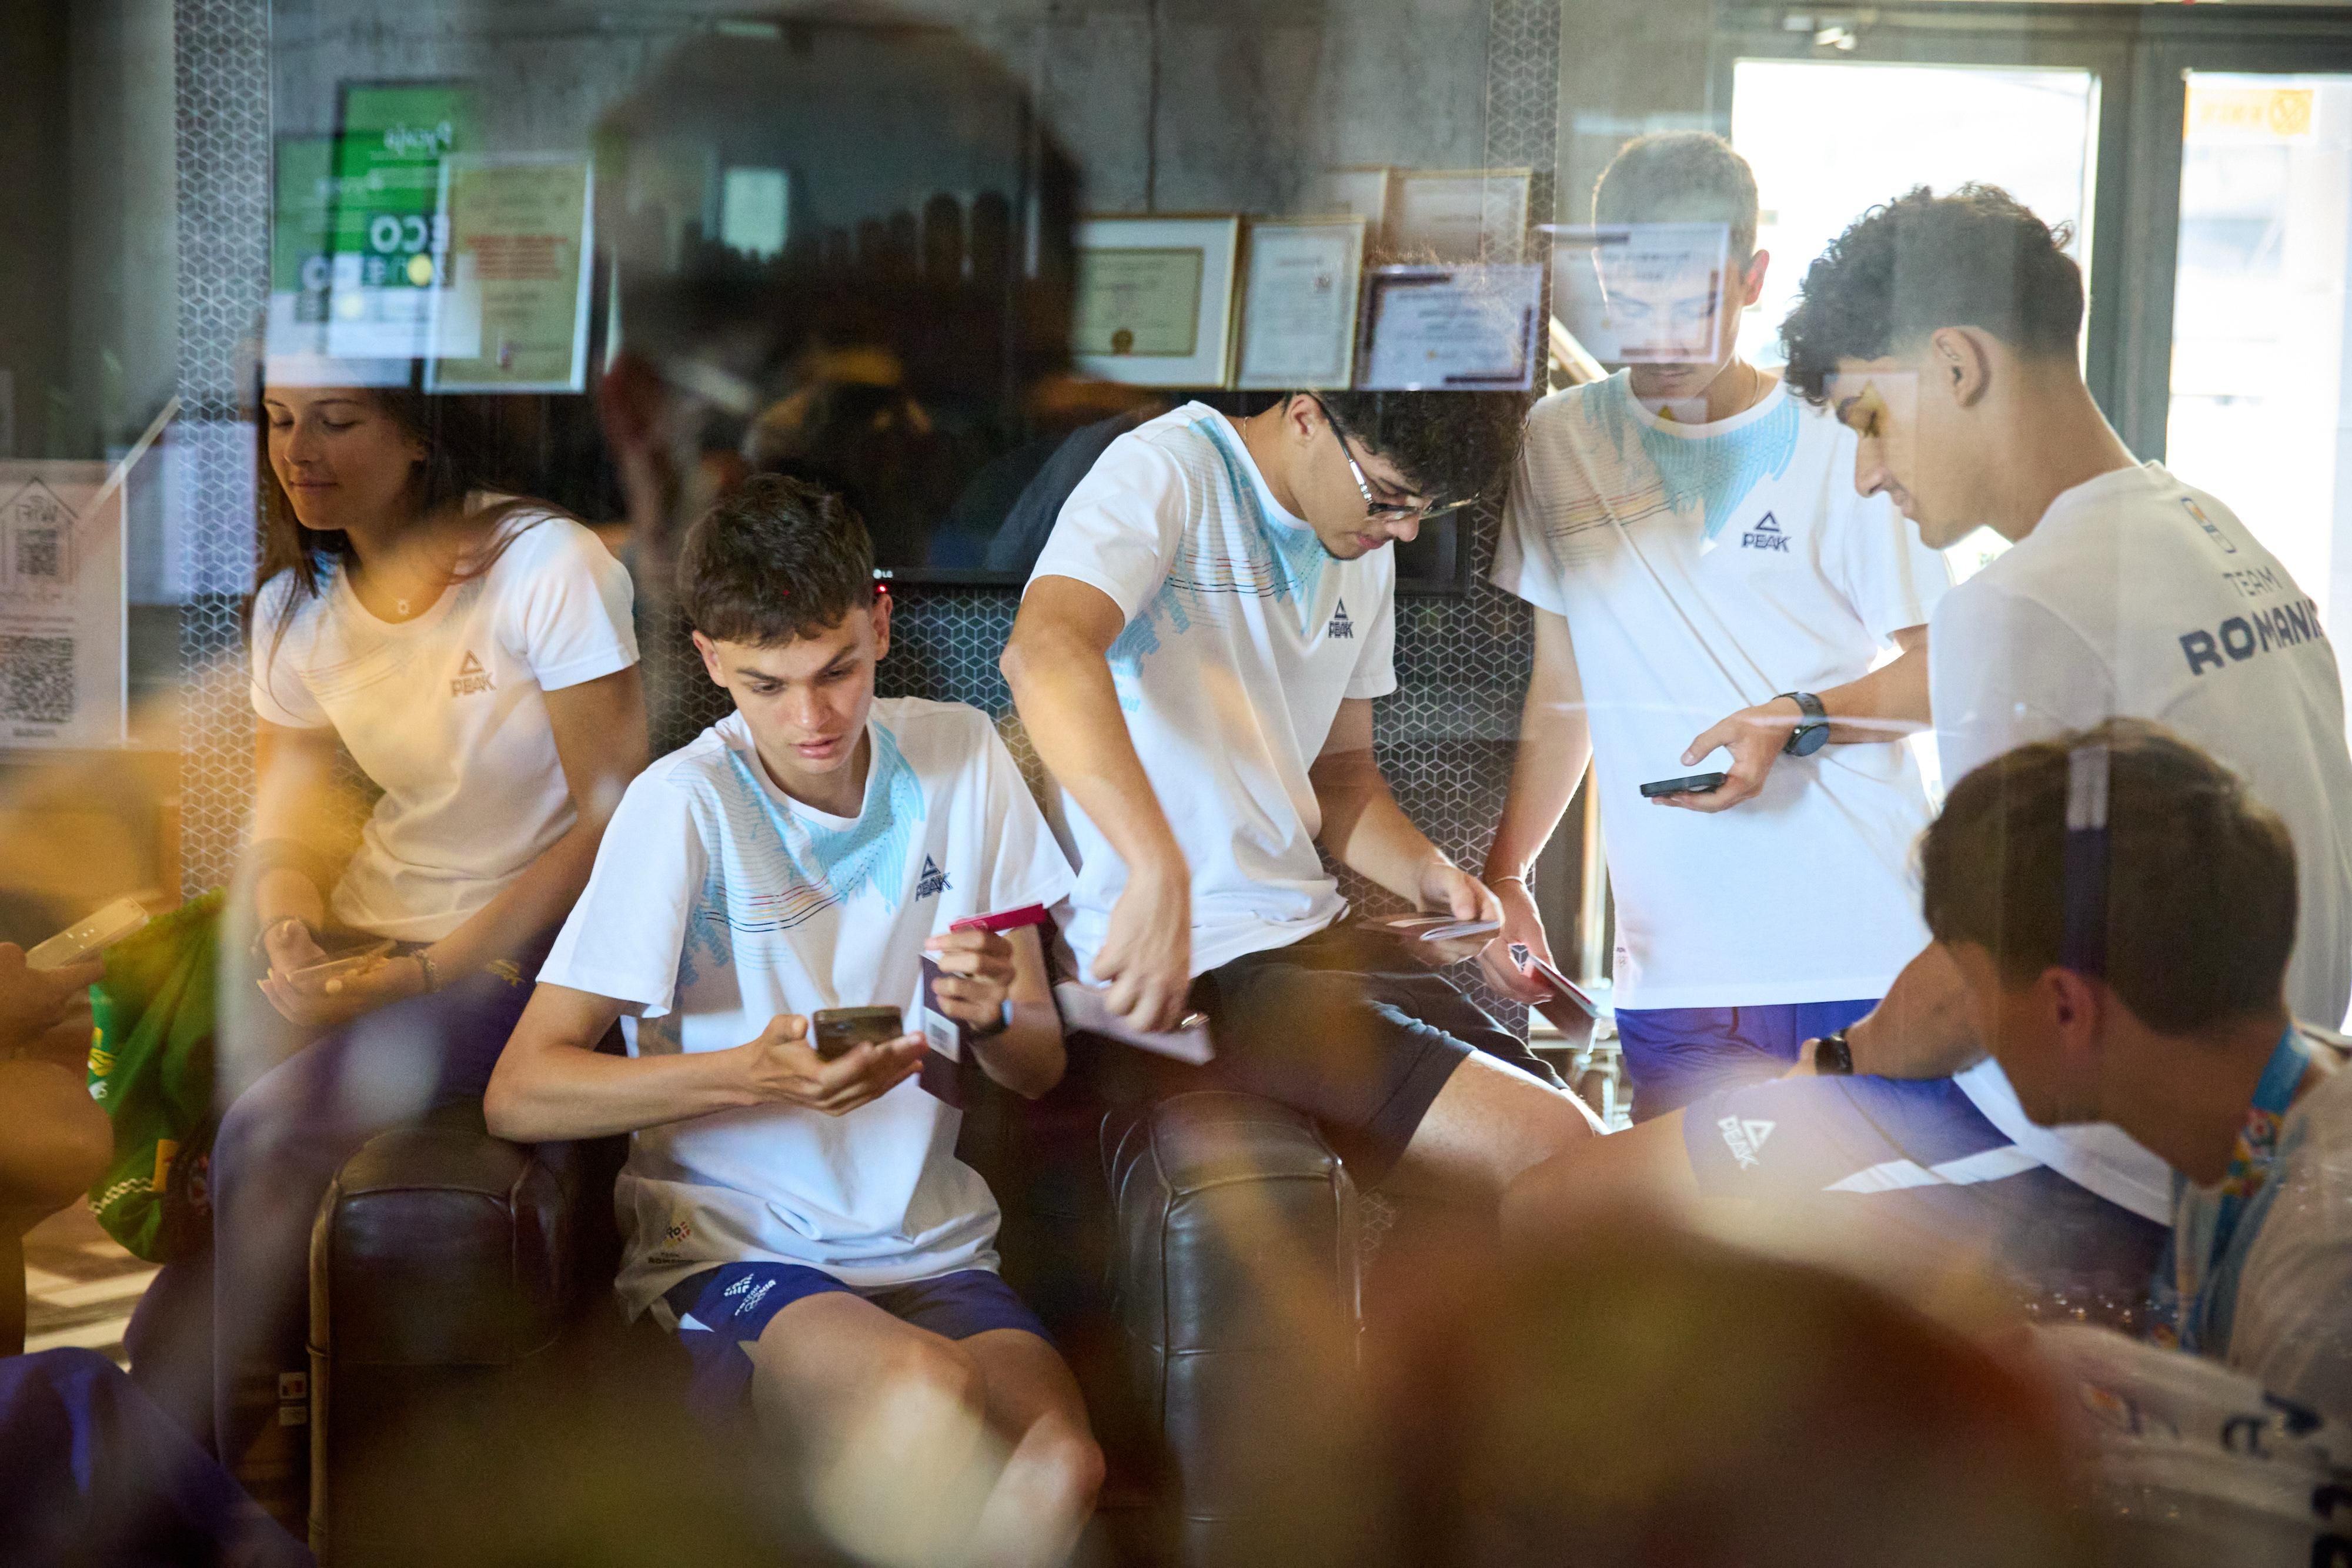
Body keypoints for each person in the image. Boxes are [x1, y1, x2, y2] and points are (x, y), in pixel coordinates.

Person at [1505, 186, 2352, 1302]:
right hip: (2254, 1131)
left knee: (1555, 1211)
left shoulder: (2021, 604)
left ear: (1957, 365)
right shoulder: (2214, 535)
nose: (1866, 470)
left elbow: (1972, 985)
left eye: (1868, 419)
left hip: (2063, 1153)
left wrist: (1835, 1063)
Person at [485, 476, 1101, 1568]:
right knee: (925, 1393)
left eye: (837, 672)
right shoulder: (682, 804)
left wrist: (992, 1012)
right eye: (767, 684)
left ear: (880, 625)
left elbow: (1037, 1065)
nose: (810, 718)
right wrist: (750, 1074)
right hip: (732, 1242)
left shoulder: (963, 754)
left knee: (1061, 1465)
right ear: (713, 660)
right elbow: (520, 1089)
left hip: (927, 1237)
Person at [153, 382, 647, 1508]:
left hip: (535, 944)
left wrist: (429, 970)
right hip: (377, 923)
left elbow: (616, 815)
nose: (298, 450)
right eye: (279, 419)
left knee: (266, 1135)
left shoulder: (545, 563)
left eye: (337, 420)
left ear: (421, 433)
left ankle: (259, 1505)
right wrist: (286, 913)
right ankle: (248, 1462)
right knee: (180, 1237)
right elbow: (290, 801)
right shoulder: (296, 601)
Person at [1001, 390, 1602, 1207]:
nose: (1404, 531)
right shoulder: (1167, 470)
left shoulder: (1362, 548)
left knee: (1591, 1168)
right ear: (1308, 417)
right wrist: (1156, 870)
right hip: (1195, 967)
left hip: (1312, 943)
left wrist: (1429, 875)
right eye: (1387, 496)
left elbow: (1341, 776)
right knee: (1554, 1148)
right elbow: (1043, 651)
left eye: (1425, 510)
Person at [1482, 131, 1952, 1119]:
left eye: (1688, 306)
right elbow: (1564, 690)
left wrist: (1797, 715)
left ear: (1751, 278)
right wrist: (1507, 871)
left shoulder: (1840, 432)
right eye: (1629, 304)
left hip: (1860, 944)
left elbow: (1945, 672)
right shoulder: (1558, 440)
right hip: (1675, 971)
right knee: (1686, 1227)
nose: (1657, 342)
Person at [1920, 720, 2352, 1420]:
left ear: (2066, 1007)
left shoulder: (2322, 1265)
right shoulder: (2248, 1118)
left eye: (1973, 985)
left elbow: (2284, 1486)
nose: (1971, 1017)